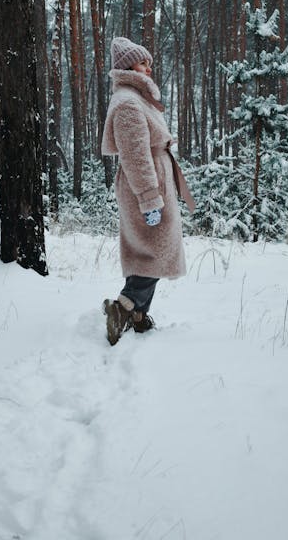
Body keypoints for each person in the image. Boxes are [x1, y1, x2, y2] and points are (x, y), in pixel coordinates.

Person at [101, 36, 195, 345]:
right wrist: (148, 199)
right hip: (146, 183)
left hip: (155, 180)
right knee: (155, 250)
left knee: (146, 250)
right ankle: (124, 306)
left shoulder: (136, 97)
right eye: (143, 63)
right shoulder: (128, 102)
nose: (148, 69)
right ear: (128, 66)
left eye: (149, 63)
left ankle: (138, 316)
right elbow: (135, 156)